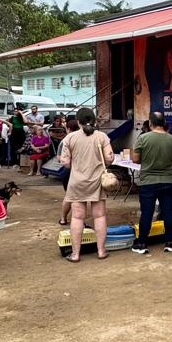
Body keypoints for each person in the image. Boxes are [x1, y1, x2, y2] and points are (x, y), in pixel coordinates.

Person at [59, 107, 113, 262]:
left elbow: (66, 163)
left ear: (78, 121)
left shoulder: (70, 138)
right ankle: (101, 251)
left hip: (77, 182)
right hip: (97, 182)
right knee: (100, 215)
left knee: (77, 217)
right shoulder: (102, 136)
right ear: (94, 120)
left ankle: (75, 254)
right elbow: (109, 158)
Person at [131, 112, 172, 254]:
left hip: (148, 181)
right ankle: (170, 242)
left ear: (150, 123)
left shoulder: (143, 138)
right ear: (164, 122)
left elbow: (135, 159)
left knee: (147, 212)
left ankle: (141, 243)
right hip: (168, 181)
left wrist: (148, 161)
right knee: (168, 212)